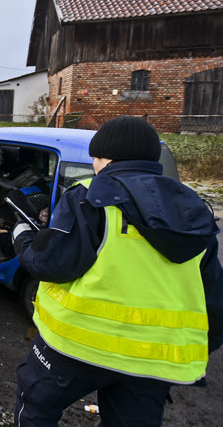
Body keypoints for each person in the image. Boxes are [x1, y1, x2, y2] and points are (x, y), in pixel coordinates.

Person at [11, 116, 223, 426]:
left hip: (78, 348)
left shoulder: (90, 196)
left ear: (104, 157)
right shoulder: (193, 210)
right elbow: (214, 298)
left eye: (94, 157)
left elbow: (49, 264)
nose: (94, 164)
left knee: (35, 410)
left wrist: (22, 237)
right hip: (153, 359)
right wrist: (202, 348)